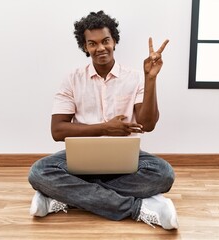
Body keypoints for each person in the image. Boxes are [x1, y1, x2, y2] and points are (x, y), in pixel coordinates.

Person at [28, 10, 178, 230]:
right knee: (38, 172)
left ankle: (62, 197)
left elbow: (148, 124)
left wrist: (150, 79)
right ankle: (139, 207)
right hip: (81, 157)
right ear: (85, 47)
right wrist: (105, 128)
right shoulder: (72, 79)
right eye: (92, 43)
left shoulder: (135, 77)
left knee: (163, 175)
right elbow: (57, 131)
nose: (100, 48)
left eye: (105, 41)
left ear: (114, 41)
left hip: (124, 158)